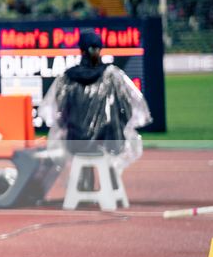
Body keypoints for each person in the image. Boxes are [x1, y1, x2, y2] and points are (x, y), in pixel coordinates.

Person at [43, 28, 151, 169]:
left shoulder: (67, 78)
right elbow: (128, 110)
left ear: (81, 50)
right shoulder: (112, 75)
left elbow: (58, 115)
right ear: (100, 49)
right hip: (109, 143)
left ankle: (83, 184)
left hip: (75, 144)